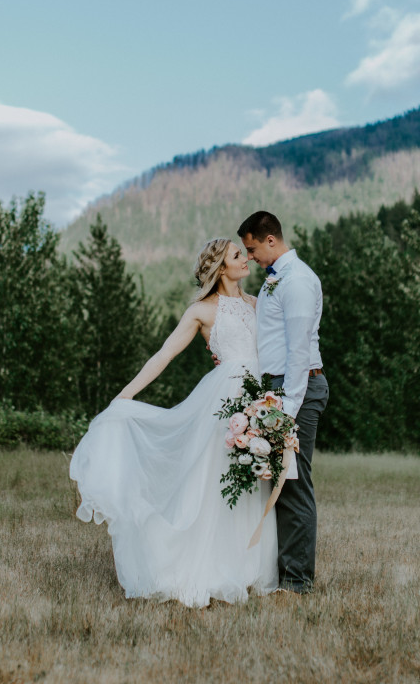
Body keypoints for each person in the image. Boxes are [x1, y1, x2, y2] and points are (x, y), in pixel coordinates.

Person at [69, 238, 278, 608]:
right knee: (217, 484)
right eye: (236, 255)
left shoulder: (257, 304)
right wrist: (125, 395)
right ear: (220, 268)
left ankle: (247, 567)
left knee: (252, 482)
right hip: (225, 401)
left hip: (260, 398)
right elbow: (164, 354)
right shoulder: (202, 311)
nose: (245, 259)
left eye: (244, 253)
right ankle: (204, 565)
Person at [237, 211, 326, 594]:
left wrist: (286, 412)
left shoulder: (300, 281)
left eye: (252, 249)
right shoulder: (276, 279)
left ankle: (296, 583)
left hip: (298, 390)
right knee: (279, 482)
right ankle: (282, 573)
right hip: (278, 390)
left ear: (269, 240)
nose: (251, 257)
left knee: (294, 484)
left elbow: (298, 353)